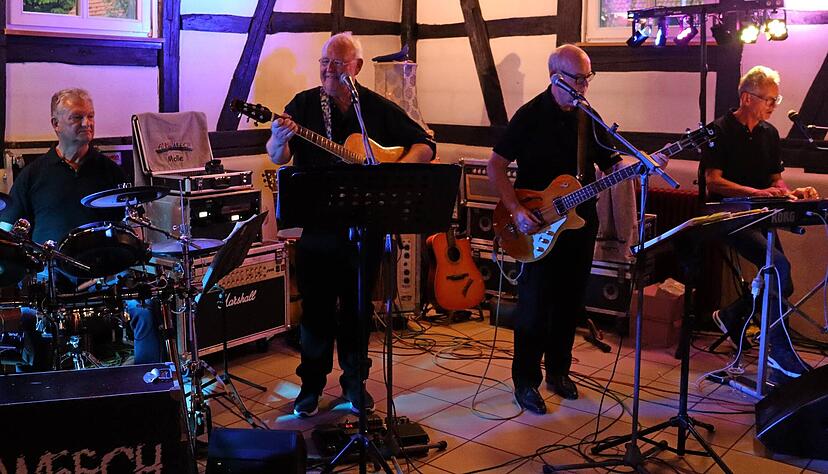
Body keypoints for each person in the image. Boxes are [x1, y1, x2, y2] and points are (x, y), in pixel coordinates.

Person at [488, 45, 669, 414]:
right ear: (557, 78)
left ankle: (559, 371)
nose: (585, 86)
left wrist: (643, 165)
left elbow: (613, 163)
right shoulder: (530, 116)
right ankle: (525, 381)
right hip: (533, 224)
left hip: (580, 225)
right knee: (534, 307)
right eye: (578, 79)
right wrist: (516, 209)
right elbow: (496, 165)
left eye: (588, 78)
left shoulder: (589, 117)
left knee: (569, 302)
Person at [267, 32, 435, 417]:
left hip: (366, 230)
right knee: (316, 314)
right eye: (325, 62)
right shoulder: (303, 105)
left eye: (338, 64)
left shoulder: (374, 108)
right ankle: (310, 386)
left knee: (358, 310)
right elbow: (278, 156)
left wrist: (395, 173)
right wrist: (278, 138)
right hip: (318, 231)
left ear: (356, 68)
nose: (329, 69)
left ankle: (355, 383)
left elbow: (426, 144)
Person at [0, 88, 163, 370]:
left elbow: (126, 226)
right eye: (77, 117)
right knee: (25, 320)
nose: (87, 123)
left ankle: (147, 387)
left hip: (104, 276)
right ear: (56, 124)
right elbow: (7, 228)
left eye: (90, 116)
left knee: (147, 309)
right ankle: (38, 394)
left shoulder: (109, 171)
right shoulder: (33, 174)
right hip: (52, 278)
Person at [702, 65, 817, 380]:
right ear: (746, 98)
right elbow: (714, 182)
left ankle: (731, 314)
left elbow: (775, 182)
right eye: (767, 99)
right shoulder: (719, 130)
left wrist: (793, 194)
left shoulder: (769, 134)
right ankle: (779, 354)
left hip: (762, 214)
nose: (772, 106)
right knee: (778, 270)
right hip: (729, 214)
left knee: (784, 280)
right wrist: (756, 192)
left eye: (775, 100)